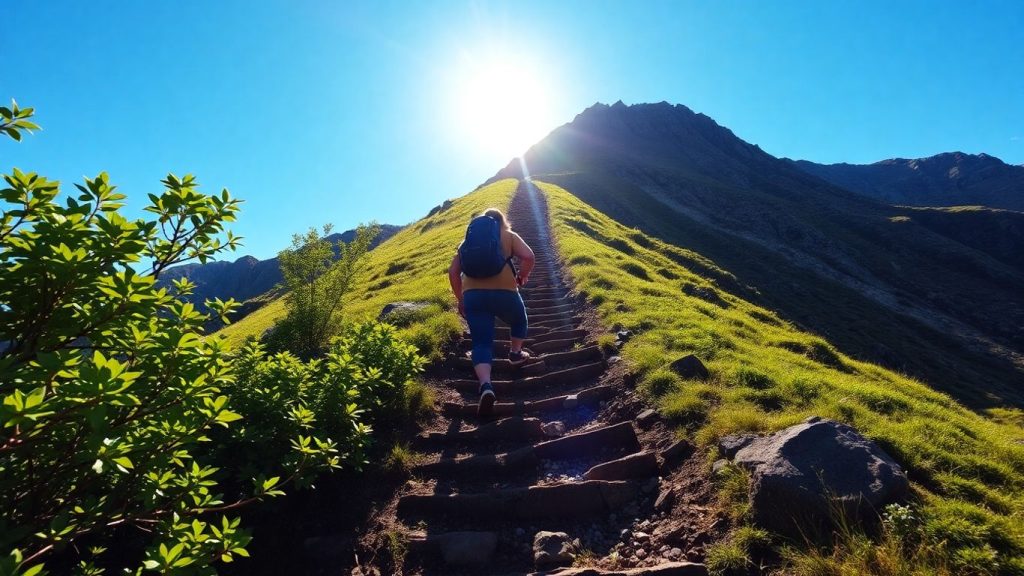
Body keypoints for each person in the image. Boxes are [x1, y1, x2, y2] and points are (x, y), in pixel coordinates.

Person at [448, 207, 536, 416]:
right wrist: (522, 276)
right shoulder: (508, 235)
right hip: (505, 292)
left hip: (473, 296)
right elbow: (529, 257)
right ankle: (515, 354)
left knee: (480, 342)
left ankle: (486, 385)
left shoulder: (465, 243)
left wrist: (461, 299)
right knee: (519, 320)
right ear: (502, 221)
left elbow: (453, 272)